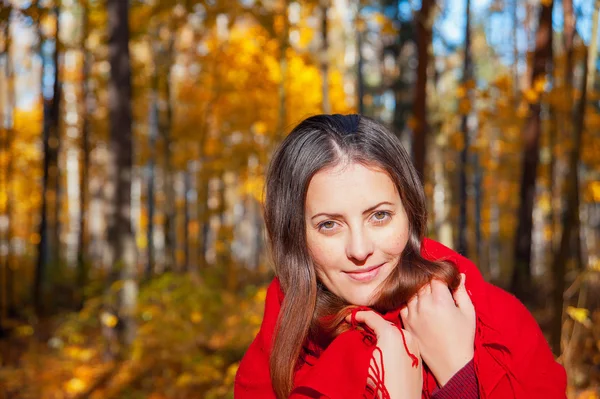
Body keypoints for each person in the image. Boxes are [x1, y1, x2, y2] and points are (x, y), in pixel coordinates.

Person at [234, 114, 567, 399]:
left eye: (379, 216)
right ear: (296, 235)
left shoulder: (496, 320)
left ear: (409, 213)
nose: (360, 249)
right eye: (329, 225)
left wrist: (458, 371)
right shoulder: (276, 343)